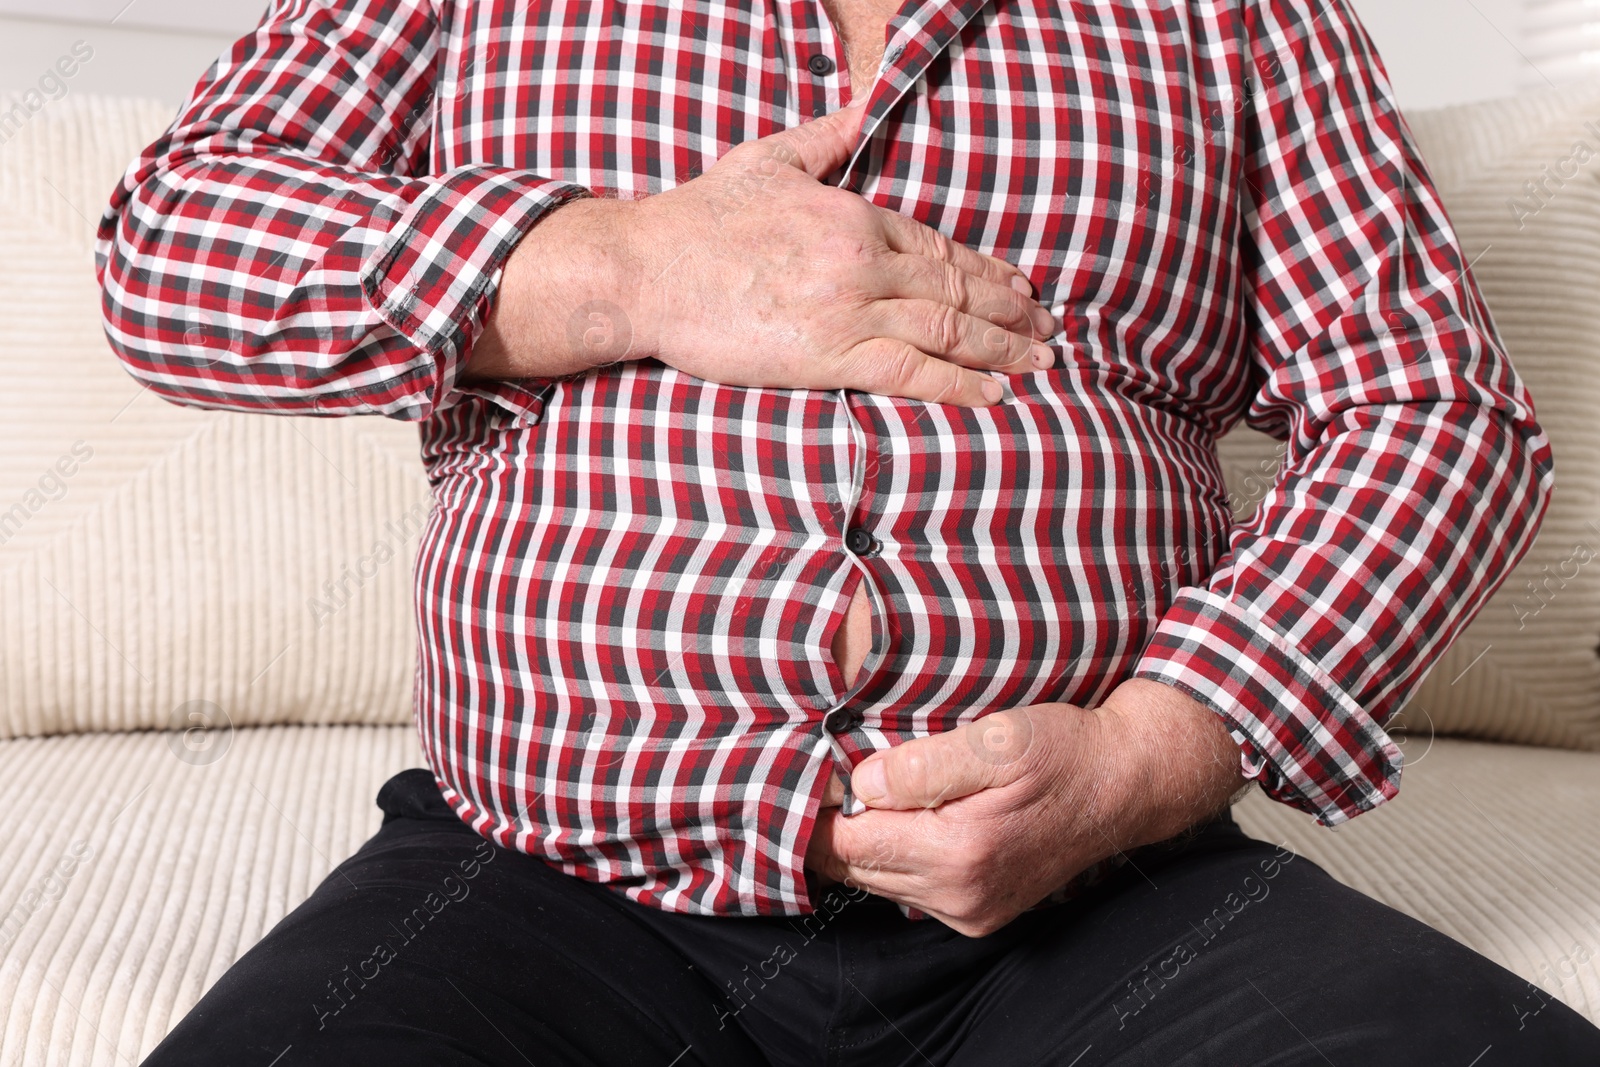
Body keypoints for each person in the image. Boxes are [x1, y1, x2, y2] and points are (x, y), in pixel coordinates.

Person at [98, 0, 1600, 1062]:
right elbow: (171, 250)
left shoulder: (1239, 12)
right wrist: (613, 266)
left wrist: (1156, 749)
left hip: (1105, 888)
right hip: (544, 880)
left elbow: (1437, 411)